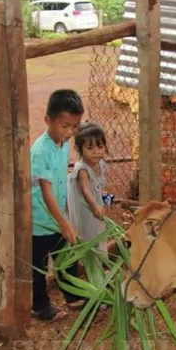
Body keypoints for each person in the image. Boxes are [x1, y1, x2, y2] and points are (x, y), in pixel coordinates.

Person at [31, 89, 86, 321]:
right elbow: (46, 192)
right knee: (38, 266)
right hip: (39, 221)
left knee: (66, 258)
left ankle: (72, 295)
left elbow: (60, 182)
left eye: (75, 126)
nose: (70, 132)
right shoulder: (41, 150)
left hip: (57, 218)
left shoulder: (62, 144)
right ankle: (39, 306)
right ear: (48, 121)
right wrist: (63, 222)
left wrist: (65, 217)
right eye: (65, 126)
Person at [67, 122, 109, 253]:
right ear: (79, 149)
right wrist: (95, 206)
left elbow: (97, 186)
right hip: (84, 207)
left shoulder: (100, 164)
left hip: (94, 203)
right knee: (86, 231)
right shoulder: (82, 169)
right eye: (90, 148)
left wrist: (103, 198)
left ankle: (97, 258)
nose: (96, 151)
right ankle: (87, 261)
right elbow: (85, 191)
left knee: (98, 230)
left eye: (100, 146)